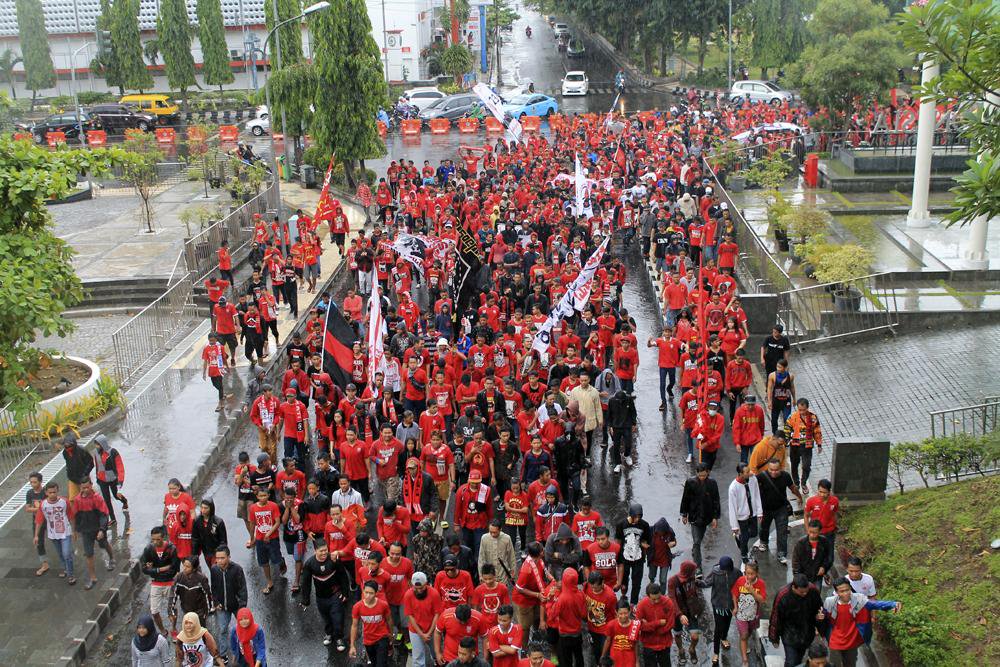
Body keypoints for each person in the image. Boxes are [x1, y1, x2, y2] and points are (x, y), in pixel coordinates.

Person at [822, 578, 901, 667]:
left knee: (850, 664)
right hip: (835, 640)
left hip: (851, 641)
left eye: (847, 590)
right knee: (834, 664)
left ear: (850, 588)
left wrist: (892, 604)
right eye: (842, 591)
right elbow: (823, 617)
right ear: (836, 592)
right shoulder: (830, 602)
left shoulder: (859, 600)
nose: (846, 593)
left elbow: (874, 604)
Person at [300, 541, 351, 651]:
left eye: (325, 550)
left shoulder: (334, 560)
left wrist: (345, 593)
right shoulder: (309, 564)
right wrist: (306, 600)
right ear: (315, 551)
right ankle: (329, 634)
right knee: (326, 617)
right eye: (321, 551)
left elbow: (343, 576)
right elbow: (306, 583)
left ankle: (339, 638)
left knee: (337, 618)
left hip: (335, 595)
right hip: (320, 597)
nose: (324, 553)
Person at [768, 573, 823, 667]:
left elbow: (819, 608)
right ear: (793, 587)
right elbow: (776, 617)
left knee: (799, 659)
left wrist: (819, 620)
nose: (805, 594)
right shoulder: (783, 595)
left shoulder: (813, 591)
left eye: (806, 592)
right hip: (789, 634)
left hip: (807, 633)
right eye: (801, 592)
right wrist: (774, 637)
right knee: (791, 662)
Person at [71, 477, 116, 589]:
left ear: (91, 486)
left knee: (104, 544)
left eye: (87, 487)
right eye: (82, 488)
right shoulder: (77, 500)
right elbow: (75, 516)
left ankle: (112, 558)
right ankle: (92, 577)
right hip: (86, 531)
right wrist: (74, 530)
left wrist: (102, 529)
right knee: (89, 553)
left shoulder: (97, 498)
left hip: (97, 529)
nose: (85, 490)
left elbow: (104, 515)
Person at [755, 458, 802, 565]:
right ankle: (763, 542)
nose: (773, 472)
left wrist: (799, 497)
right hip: (765, 509)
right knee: (764, 527)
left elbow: (792, 487)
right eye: (771, 469)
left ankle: (781, 553)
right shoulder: (761, 477)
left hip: (781, 508)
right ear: (768, 468)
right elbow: (752, 487)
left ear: (780, 468)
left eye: (776, 470)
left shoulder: (785, 476)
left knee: (782, 532)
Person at [679, 463, 721, 572]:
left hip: (707, 515)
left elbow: (716, 500)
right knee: (697, 541)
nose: (702, 477)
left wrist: (715, 517)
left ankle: (695, 551)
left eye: (704, 475)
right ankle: (698, 566)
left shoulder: (712, 483)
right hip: (694, 516)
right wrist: (684, 514)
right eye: (700, 475)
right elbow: (685, 499)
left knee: (699, 538)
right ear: (697, 473)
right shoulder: (690, 483)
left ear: (707, 473)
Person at [210, 546, 248, 663]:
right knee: (222, 630)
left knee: (243, 628)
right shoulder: (214, 569)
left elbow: (243, 589)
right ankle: (223, 655)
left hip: (237, 607)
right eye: (217, 558)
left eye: (222, 558)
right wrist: (216, 602)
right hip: (222, 607)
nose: (219, 561)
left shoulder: (237, 569)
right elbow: (214, 588)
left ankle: (246, 651)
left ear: (229, 557)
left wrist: (242, 607)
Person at [700, 556, 740, 665]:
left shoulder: (736, 573)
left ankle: (724, 638)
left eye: (727, 570)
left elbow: (741, 584)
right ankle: (716, 652)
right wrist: (697, 582)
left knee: (727, 623)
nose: (725, 572)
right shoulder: (715, 573)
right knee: (718, 628)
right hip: (718, 605)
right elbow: (706, 583)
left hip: (730, 605)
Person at [35, 480, 76, 584]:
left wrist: (74, 530)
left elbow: (71, 515)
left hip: (65, 531)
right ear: (46, 493)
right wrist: (36, 535)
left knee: (66, 553)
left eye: (54, 492)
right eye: (50, 492)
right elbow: (39, 520)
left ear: (58, 491)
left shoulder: (64, 501)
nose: (52, 494)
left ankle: (71, 574)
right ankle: (65, 568)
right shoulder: (43, 505)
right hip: (53, 533)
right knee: (60, 553)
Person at [142, 525, 180, 634]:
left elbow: (174, 569)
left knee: (172, 609)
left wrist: (153, 569)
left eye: (158, 539)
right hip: (156, 583)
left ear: (163, 537)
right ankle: (162, 630)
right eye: (153, 539)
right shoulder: (148, 549)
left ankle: (173, 628)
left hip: (170, 583)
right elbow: (144, 569)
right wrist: (160, 569)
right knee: (154, 611)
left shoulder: (172, 549)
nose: (155, 542)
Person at [403, 571, 443, 666]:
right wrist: (421, 634)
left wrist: (429, 633)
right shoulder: (408, 595)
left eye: (421, 587)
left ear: (426, 584)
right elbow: (410, 616)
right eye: (416, 588)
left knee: (436, 654)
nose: (419, 590)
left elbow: (437, 614)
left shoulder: (434, 594)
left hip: (433, 629)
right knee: (417, 658)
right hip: (415, 630)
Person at [668, 561, 705, 665]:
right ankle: (681, 650)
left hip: (690, 611)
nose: (695, 573)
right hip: (677, 612)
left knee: (695, 636)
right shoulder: (672, 581)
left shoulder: (692, 578)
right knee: (678, 633)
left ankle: (692, 649)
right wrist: (680, 615)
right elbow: (672, 598)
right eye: (693, 571)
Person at [247, 486, 282, 595]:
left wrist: (269, 533)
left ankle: (282, 561)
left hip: (273, 538)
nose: (262, 498)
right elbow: (252, 524)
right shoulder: (253, 508)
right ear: (257, 496)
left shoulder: (273, 506)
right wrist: (252, 539)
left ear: (268, 495)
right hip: (260, 539)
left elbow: (277, 522)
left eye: (265, 495)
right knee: (264, 562)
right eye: (260, 496)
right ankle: (269, 582)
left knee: (276, 559)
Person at [615, 502, 651, 605]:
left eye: (639, 517)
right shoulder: (621, 524)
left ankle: (633, 603)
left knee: (637, 582)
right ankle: (623, 596)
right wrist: (617, 558)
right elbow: (618, 542)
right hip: (624, 558)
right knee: (624, 581)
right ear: (631, 515)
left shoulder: (644, 525)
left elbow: (646, 540)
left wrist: (645, 546)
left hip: (638, 558)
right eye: (635, 517)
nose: (637, 519)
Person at [731, 561, 767, 667]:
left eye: (752, 574)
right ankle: (745, 660)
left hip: (753, 615)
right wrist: (735, 607)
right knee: (744, 635)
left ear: (756, 573)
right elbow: (734, 593)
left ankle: (745, 642)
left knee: (749, 632)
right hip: (741, 615)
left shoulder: (761, 584)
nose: (749, 576)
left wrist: (752, 590)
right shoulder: (740, 580)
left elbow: (762, 600)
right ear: (744, 573)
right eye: (747, 573)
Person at [784, 398, 823, 494]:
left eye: (803, 410)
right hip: (795, 446)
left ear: (807, 408)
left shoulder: (813, 418)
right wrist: (786, 441)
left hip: (807, 446)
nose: (801, 412)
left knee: (806, 465)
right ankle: (796, 483)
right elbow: (787, 429)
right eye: (799, 409)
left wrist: (819, 444)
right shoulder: (792, 417)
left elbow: (817, 431)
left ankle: (803, 482)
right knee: (794, 465)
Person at [351, 581, 394, 666]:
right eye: (366, 592)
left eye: (371, 593)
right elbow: (354, 626)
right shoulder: (357, 607)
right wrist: (352, 645)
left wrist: (391, 634)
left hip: (382, 637)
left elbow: (389, 620)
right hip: (368, 640)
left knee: (381, 664)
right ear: (363, 591)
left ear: (376, 593)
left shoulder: (383, 605)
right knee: (374, 663)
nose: (368, 596)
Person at [635, 582, 678, 667]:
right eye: (654, 599)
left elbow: (670, 624)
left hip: (664, 643)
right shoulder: (641, 605)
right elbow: (639, 625)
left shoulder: (668, 602)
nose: (657, 601)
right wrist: (657, 623)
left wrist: (649, 626)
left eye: (659, 598)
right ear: (648, 596)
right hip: (648, 644)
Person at [727, 463, 762, 564]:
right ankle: (744, 555)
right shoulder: (733, 488)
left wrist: (759, 512)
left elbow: (756, 494)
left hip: (753, 513)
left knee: (754, 533)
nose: (750, 473)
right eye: (747, 472)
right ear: (740, 474)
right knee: (745, 537)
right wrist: (734, 525)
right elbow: (732, 508)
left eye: (749, 470)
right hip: (741, 517)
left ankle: (740, 538)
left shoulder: (753, 479)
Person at [93, 434, 129, 525]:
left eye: (98, 444)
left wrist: (120, 482)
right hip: (102, 480)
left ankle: (124, 501)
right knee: (106, 500)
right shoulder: (96, 452)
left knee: (116, 496)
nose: (96, 446)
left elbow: (120, 467)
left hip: (112, 479)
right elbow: (97, 466)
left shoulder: (113, 452)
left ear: (102, 444)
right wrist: (97, 477)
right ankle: (113, 518)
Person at [168, 557, 213, 631]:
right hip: (186, 610)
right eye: (184, 566)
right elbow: (173, 595)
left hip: (200, 611)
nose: (184, 568)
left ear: (194, 568)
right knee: (188, 631)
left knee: (200, 631)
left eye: (188, 567)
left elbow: (207, 595)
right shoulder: (179, 578)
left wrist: (207, 612)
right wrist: (170, 611)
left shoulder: (201, 579)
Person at [792, 520, 834, 588]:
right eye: (810, 532)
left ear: (820, 531)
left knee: (816, 594)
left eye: (815, 532)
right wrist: (797, 576)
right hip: (804, 576)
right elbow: (795, 560)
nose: (811, 534)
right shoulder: (801, 543)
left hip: (817, 576)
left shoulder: (824, 541)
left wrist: (824, 567)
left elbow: (828, 557)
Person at [804, 479, 840, 555]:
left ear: (829, 491)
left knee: (829, 555)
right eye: (820, 492)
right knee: (816, 554)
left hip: (830, 532)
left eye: (825, 492)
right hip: (816, 533)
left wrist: (835, 525)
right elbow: (806, 516)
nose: (822, 494)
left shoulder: (835, 501)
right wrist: (808, 530)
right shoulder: (811, 501)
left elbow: (835, 513)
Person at [601, 598, 641, 666]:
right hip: (615, 656)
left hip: (630, 657)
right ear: (616, 612)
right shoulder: (611, 625)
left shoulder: (635, 625)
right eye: (620, 613)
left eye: (625, 613)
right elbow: (608, 641)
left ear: (630, 611)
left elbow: (636, 644)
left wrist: (637, 661)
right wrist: (602, 657)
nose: (623, 616)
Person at [24, 472, 49, 576]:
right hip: (37, 520)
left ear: (40, 481)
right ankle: (44, 563)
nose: (33, 484)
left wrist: (35, 509)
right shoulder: (30, 493)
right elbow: (27, 508)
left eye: (35, 482)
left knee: (57, 539)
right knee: (38, 541)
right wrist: (39, 509)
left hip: (48, 519)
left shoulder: (45, 492)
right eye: (31, 482)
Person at [191, 498, 227, 569]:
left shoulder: (218, 522)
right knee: (212, 570)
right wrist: (194, 554)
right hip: (206, 552)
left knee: (217, 569)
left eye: (206, 508)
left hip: (216, 552)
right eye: (202, 507)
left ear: (211, 508)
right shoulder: (197, 521)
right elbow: (195, 538)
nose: (203, 510)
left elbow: (223, 540)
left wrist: (221, 554)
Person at [607, 389, 637, 472]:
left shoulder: (629, 399)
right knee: (616, 445)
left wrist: (634, 423)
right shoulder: (611, 401)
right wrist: (610, 426)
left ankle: (627, 455)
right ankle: (618, 463)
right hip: (616, 426)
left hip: (627, 425)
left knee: (628, 443)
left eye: (622, 401)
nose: (620, 402)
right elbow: (609, 414)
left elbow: (633, 411)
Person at [479, 519, 516, 585]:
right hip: (488, 577)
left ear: (500, 530)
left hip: (502, 576)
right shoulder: (484, 538)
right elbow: (481, 558)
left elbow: (511, 557)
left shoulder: (507, 539)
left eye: (495, 532)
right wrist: (481, 575)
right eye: (490, 532)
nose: (492, 534)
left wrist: (513, 571)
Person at [202, 332, 230, 412]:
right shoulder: (206, 348)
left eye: (213, 340)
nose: (211, 342)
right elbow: (205, 361)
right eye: (210, 341)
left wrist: (227, 367)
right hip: (212, 370)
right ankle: (222, 394)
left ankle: (220, 403)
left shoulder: (220, 347)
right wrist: (204, 373)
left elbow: (224, 358)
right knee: (215, 385)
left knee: (220, 386)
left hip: (219, 369)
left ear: (216, 339)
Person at [61, 432, 93, 500]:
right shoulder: (65, 453)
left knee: (88, 497)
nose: (67, 447)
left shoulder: (82, 451)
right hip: (72, 478)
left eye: (69, 445)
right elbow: (68, 464)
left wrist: (85, 474)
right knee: (72, 499)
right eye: (66, 445)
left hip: (83, 478)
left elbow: (90, 463)